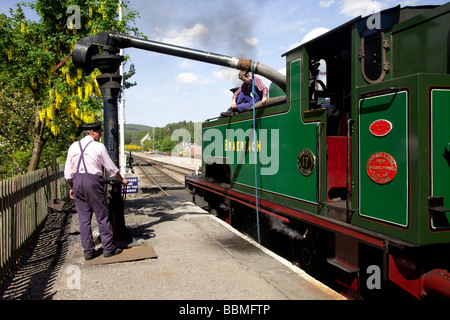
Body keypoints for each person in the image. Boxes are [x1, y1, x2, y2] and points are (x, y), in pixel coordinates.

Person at [64, 122, 129, 260]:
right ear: (92, 132)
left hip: (76, 183)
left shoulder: (73, 146)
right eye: (99, 132)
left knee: (83, 219)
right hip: (92, 182)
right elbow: (111, 168)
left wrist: (71, 188)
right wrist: (122, 180)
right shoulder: (98, 146)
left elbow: (68, 173)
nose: (100, 135)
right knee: (102, 215)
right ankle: (108, 249)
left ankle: (88, 252)